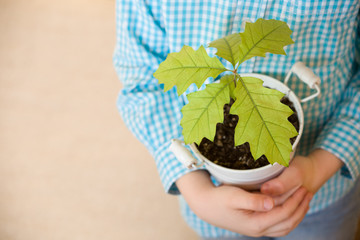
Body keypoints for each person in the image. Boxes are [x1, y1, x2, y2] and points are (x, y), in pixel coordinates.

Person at [114, 0, 360, 239]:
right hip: (212, 197)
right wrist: (196, 190)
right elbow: (143, 79)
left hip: (324, 191)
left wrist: (321, 164)